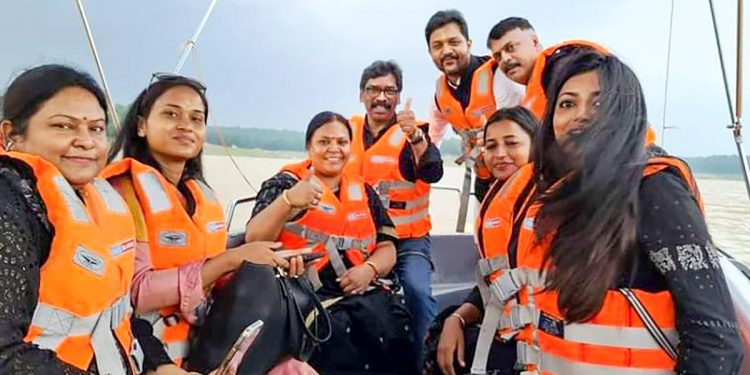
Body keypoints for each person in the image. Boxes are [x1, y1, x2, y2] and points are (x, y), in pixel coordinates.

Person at [474, 50, 743, 374]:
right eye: (567, 104)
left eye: (598, 104)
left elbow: (715, 337)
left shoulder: (654, 189)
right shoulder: (555, 196)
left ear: (626, 114)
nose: (580, 115)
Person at [102, 73, 311, 372]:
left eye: (196, 119)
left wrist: (265, 263)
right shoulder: (123, 194)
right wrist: (233, 258)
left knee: (298, 369)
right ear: (141, 126)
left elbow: (212, 273)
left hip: (212, 337)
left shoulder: (202, 195)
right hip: (150, 352)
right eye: (171, 114)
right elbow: (137, 292)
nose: (185, 125)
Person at [0, 64, 198, 374]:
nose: (86, 141)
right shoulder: (11, 206)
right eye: (64, 126)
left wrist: (160, 365)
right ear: (11, 135)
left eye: (95, 128)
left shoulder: (98, 201)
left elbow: (114, 313)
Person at [247, 111, 415, 373]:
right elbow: (253, 239)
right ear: (309, 147)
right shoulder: (284, 185)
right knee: (338, 337)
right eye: (324, 142)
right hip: (305, 296)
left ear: (350, 147)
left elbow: (387, 246)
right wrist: (288, 201)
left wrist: (368, 270)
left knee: (397, 323)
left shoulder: (364, 190)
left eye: (341, 142)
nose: (333, 149)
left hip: (362, 290)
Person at [423, 106, 538, 375]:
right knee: (439, 333)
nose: (499, 154)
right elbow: (495, 282)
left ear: (537, 146)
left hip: (539, 349)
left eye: (511, 143)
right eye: (491, 145)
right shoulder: (497, 197)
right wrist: (457, 319)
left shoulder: (552, 203)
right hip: (507, 331)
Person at [346, 60, 443, 368]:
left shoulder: (410, 136)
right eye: (373, 89)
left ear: (399, 97)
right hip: (359, 240)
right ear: (362, 94)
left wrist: (415, 137)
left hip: (407, 242)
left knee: (416, 292)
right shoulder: (345, 132)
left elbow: (433, 169)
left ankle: (426, 364)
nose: (382, 97)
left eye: (390, 90)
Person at [424, 9, 525, 204]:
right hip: (483, 176)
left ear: (468, 44)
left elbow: (529, 128)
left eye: (454, 42)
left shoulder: (501, 77)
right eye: (437, 46)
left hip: (519, 177)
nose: (446, 51)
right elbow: (431, 140)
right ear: (430, 52)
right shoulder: (439, 96)